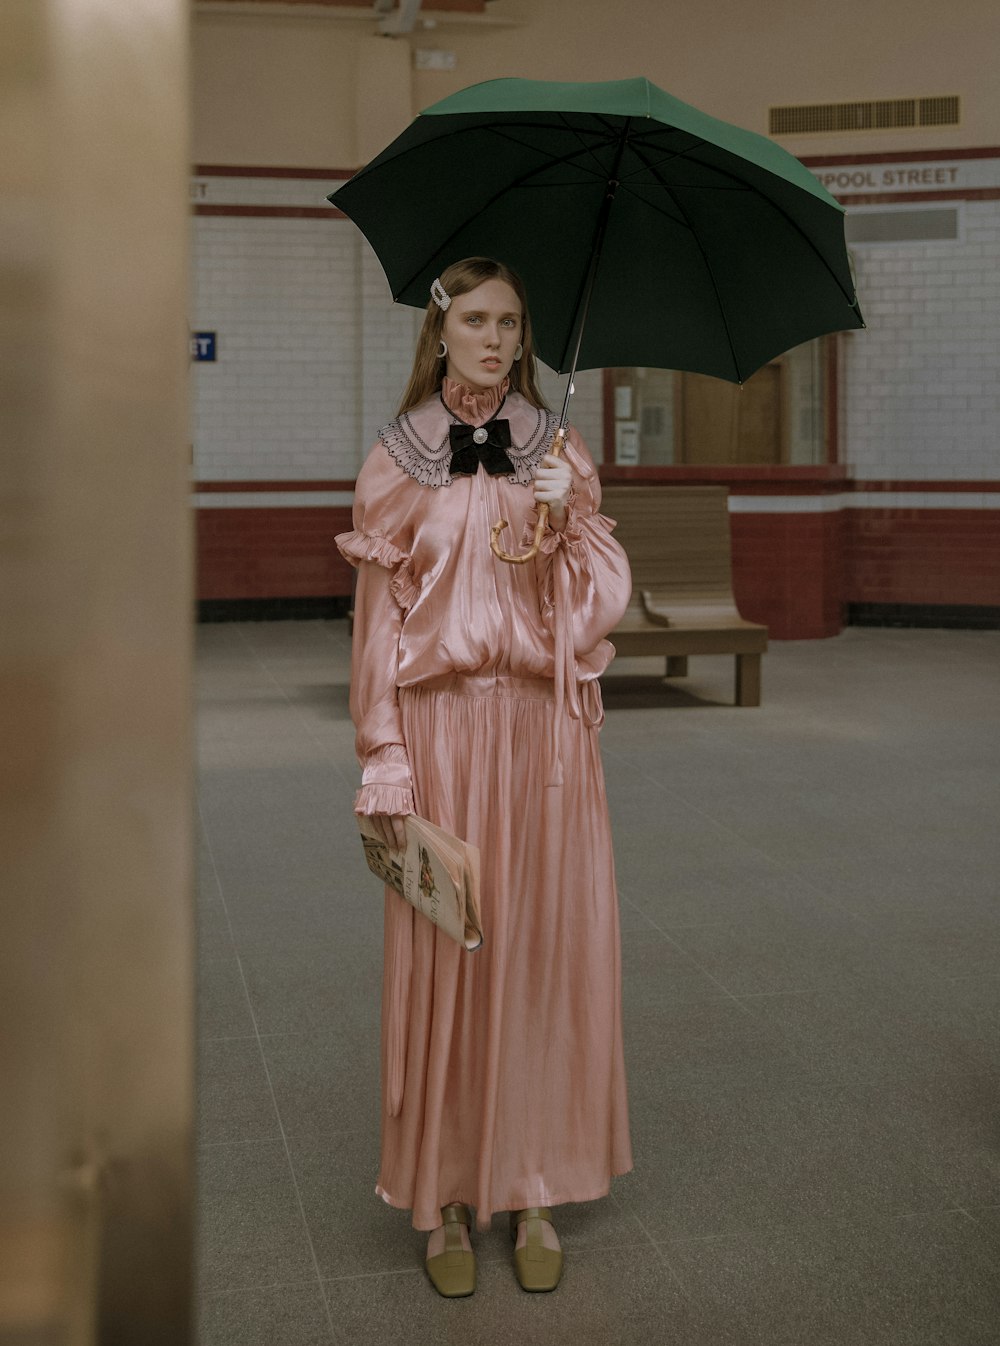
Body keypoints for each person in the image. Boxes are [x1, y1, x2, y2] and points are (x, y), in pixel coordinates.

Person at [336, 257, 633, 1297]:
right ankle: (447, 1196)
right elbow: (378, 624)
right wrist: (383, 749)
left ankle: (533, 1182)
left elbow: (595, 611)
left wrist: (573, 518)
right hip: (441, 727)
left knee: (541, 952)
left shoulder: (557, 449)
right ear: (442, 327)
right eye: (476, 319)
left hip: (544, 733)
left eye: (510, 319)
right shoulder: (395, 460)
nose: (496, 338)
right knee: (448, 955)